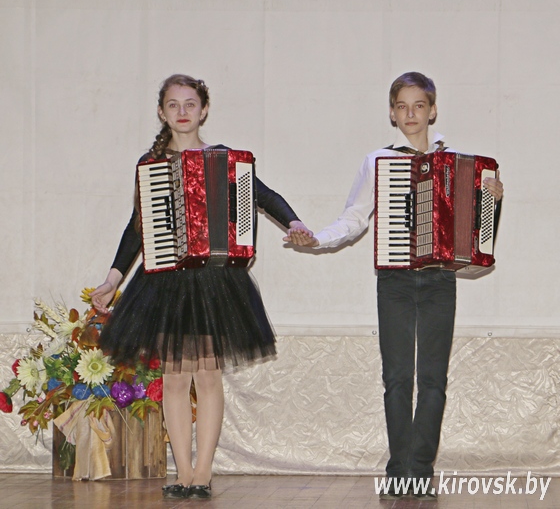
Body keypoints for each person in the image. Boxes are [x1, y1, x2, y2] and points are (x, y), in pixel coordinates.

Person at [91, 74, 312, 500]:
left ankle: (203, 472)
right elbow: (137, 230)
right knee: (174, 378)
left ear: (204, 110)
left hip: (214, 281)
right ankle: (183, 470)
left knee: (208, 375)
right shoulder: (151, 165)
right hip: (166, 283)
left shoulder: (224, 158)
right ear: (162, 112)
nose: (182, 112)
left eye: (190, 104)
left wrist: (295, 221)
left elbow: (264, 196)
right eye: (173, 105)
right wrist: (112, 279)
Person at [285, 72, 504, 500]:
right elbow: (354, 218)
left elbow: (478, 237)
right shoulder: (378, 162)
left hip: (440, 279)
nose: (410, 114)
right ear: (391, 113)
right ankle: (398, 471)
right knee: (398, 379)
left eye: (418, 106)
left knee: (434, 380)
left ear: (432, 111)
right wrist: (318, 238)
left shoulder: (457, 162)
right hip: (395, 281)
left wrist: (492, 200)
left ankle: (420, 471)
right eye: (402, 106)